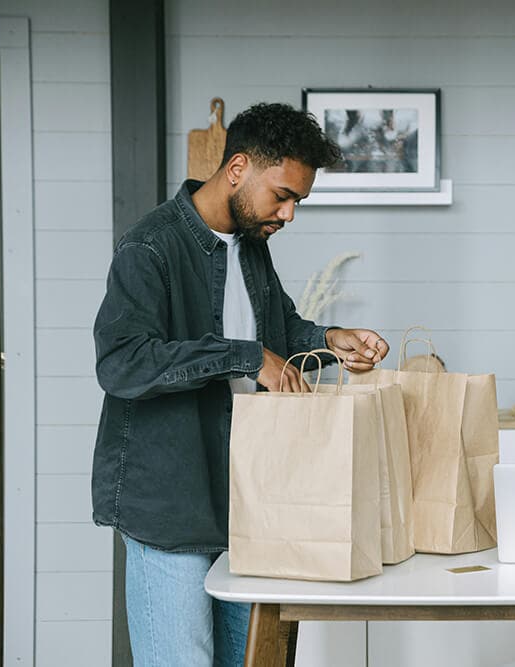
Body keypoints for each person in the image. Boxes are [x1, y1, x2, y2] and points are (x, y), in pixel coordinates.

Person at [91, 102, 389, 666]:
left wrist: (330, 337)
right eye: (282, 195)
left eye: (298, 200)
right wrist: (247, 357)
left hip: (249, 501)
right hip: (170, 505)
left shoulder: (251, 250)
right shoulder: (149, 246)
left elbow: (277, 331)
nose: (290, 213)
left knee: (253, 660)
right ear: (237, 169)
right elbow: (123, 362)